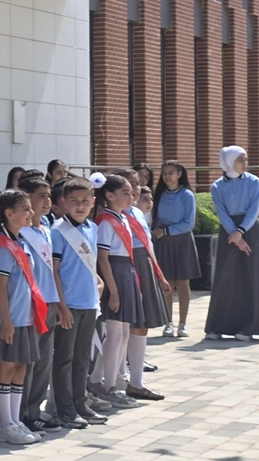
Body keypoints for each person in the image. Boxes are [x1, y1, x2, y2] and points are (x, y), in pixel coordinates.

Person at [205, 146, 259, 341]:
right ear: (229, 162)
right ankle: (217, 326)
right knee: (225, 277)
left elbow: (254, 209)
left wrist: (240, 231)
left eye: (245, 159)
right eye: (240, 160)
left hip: (250, 230)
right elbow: (221, 212)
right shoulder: (217, 186)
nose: (245, 164)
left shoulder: (254, 181)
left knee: (252, 276)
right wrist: (234, 234)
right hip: (228, 231)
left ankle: (249, 327)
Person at [0, 189, 42, 446]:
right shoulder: (2, 246)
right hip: (9, 319)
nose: (31, 213)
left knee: (20, 367)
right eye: (25, 209)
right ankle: (5, 423)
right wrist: (6, 322)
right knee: (6, 366)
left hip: (25, 317)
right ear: (9, 213)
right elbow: (0, 288)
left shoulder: (21, 241)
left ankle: (15, 420)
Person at [50, 177, 107, 428]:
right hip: (69, 304)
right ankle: (65, 408)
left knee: (83, 358)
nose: (80, 206)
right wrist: (61, 306)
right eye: (74, 201)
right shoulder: (57, 231)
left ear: (93, 202)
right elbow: (54, 270)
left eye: (85, 201)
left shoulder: (92, 228)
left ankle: (80, 403)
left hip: (89, 302)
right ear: (64, 202)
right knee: (64, 358)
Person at [112, 169, 169, 402]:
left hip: (144, 264)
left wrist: (159, 274)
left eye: (137, 184)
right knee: (122, 328)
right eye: (130, 186)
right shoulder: (114, 215)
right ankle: (119, 378)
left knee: (142, 325)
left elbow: (148, 244)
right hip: (127, 265)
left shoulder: (137, 211)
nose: (135, 189)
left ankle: (136, 381)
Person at [16, 177, 63, 435]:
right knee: (30, 361)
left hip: (50, 301)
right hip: (32, 304)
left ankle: (35, 409)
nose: (47, 201)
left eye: (49, 196)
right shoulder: (21, 232)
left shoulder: (45, 228)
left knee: (44, 360)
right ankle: (22, 413)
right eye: (41, 196)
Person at [91, 174, 142, 410]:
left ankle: (100, 379)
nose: (131, 197)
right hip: (114, 274)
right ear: (110, 195)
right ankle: (109, 385)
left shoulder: (122, 218)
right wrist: (113, 291)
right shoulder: (105, 221)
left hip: (125, 272)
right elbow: (103, 258)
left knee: (122, 333)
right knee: (114, 333)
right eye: (125, 193)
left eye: (131, 193)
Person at [152, 161, 201, 338]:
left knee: (182, 283)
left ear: (179, 174)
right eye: (164, 173)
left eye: (171, 173)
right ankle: (168, 323)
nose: (167, 176)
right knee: (167, 283)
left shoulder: (187, 195)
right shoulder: (159, 195)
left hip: (182, 241)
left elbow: (188, 223)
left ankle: (183, 323)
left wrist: (167, 230)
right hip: (162, 241)